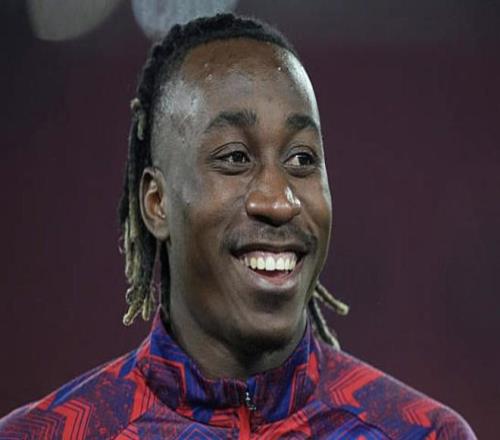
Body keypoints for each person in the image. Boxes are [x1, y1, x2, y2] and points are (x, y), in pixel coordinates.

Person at [0, 14, 476, 439]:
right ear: (157, 202)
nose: (279, 201)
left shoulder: (423, 433)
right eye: (234, 157)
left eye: (301, 159)